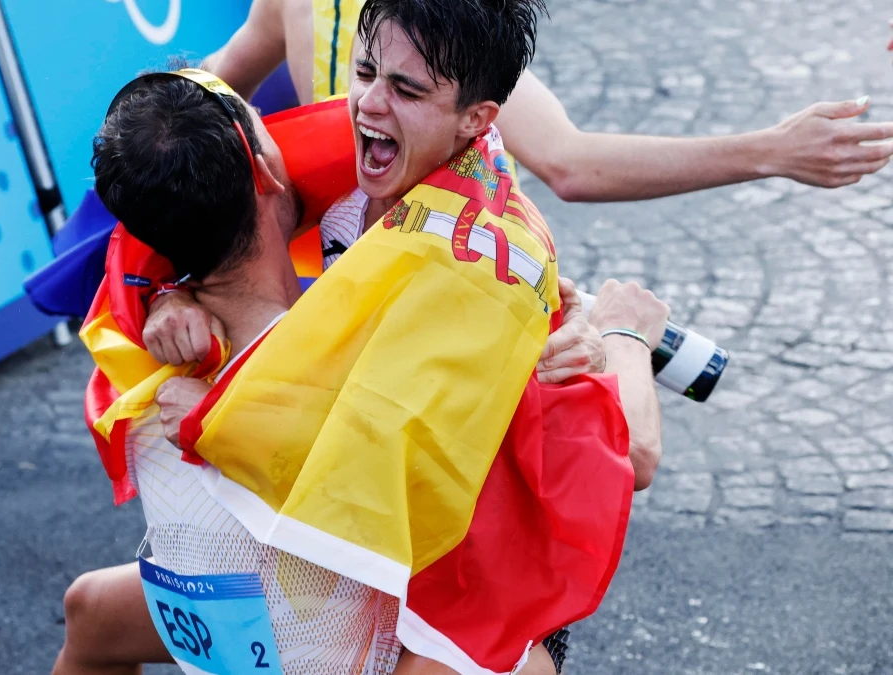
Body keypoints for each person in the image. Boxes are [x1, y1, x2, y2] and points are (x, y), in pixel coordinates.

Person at [56, 2, 669, 674]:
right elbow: (178, 185)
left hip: (461, 586)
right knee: (91, 612)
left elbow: (629, 456)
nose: (368, 105)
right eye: (365, 71)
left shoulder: (487, 269)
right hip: (327, 569)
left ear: (478, 119)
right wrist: (169, 296)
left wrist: (610, 336)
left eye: (406, 90)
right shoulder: (332, 174)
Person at [203, 0, 893, 200]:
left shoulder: (449, 24)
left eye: (404, 86)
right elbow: (213, 82)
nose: (374, 100)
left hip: (428, 285)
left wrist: (771, 151)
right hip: (326, 288)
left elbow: (570, 164)